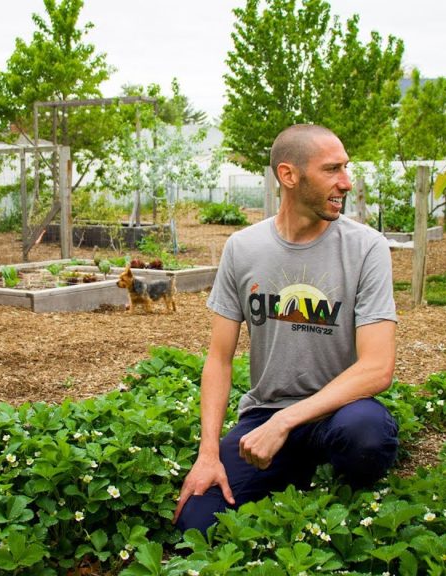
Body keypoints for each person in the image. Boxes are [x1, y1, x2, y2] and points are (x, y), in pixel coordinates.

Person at [173, 124, 399, 533]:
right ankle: (290, 469)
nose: (346, 182)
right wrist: (208, 453)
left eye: (346, 168)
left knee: (366, 435)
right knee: (196, 521)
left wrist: (285, 422)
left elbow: (377, 368)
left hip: (338, 412)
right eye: (332, 170)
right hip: (265, 412)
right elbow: (219, 358)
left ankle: (339, 486)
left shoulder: (366, 248)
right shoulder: (243, 249)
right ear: (289, 176)